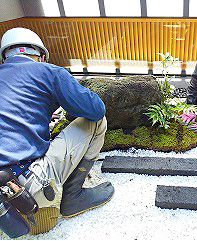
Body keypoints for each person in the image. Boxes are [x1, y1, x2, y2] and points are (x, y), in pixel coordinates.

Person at [0, 27, 114, 223]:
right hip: (22, 187)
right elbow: (95, 109)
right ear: (41, 56)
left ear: (5, 57)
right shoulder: (49, 72)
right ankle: (73, 197)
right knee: (97, 122)